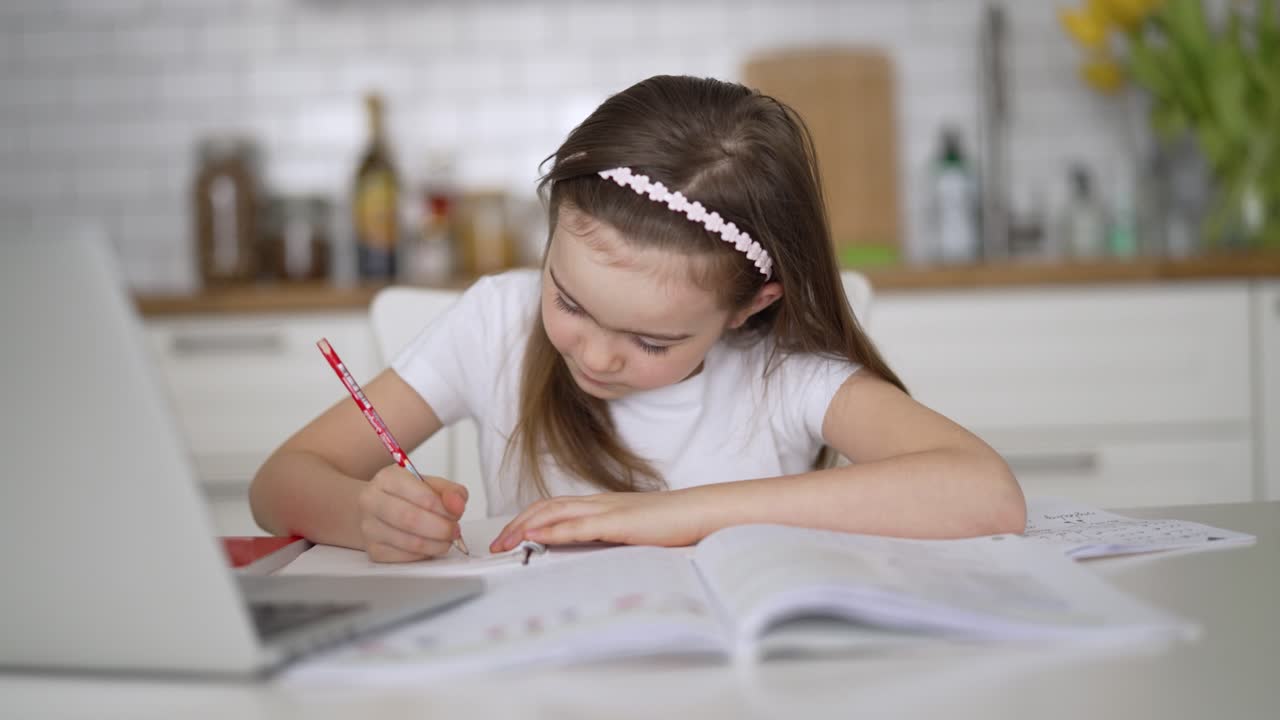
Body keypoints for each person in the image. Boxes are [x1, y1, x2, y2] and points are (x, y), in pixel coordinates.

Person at [250, 75, 1025, 563]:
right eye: (569, 301)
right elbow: (280, 483)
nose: (596, 356)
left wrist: (675, 516)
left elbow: (985, 492)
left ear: (751, 306)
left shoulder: (782, 372)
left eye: (652, 340)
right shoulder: (494, 325)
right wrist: (365, 515)